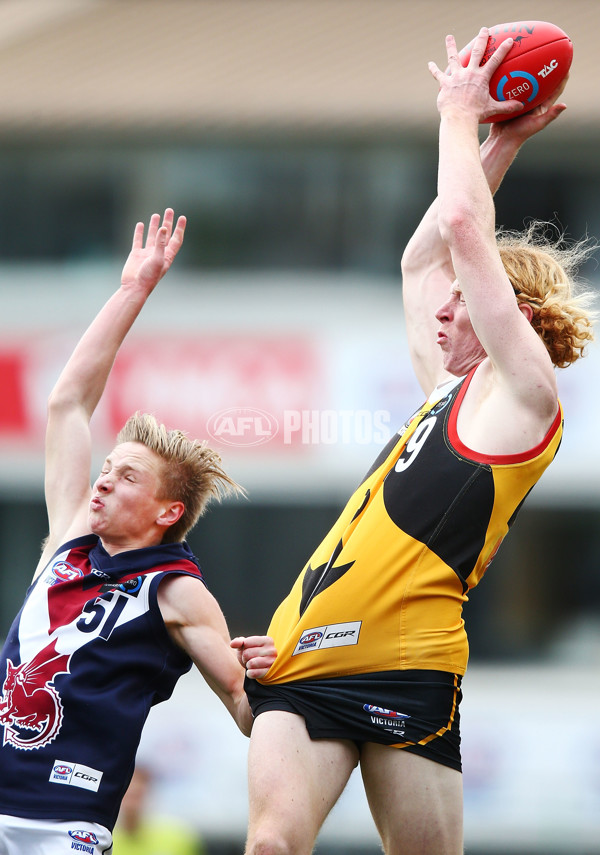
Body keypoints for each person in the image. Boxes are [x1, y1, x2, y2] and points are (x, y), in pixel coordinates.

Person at [234, 28, 596, 855]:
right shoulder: (449, 388)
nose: (441, 308)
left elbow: (466, 228)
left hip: (408, 659)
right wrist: (499, 142)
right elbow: (420, 258)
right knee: (270, 845)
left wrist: (457, 113)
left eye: (462, 301)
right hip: (301, 651)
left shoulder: (526, 393)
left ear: (516, 316)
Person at [0, 209, 276, 854]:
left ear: (166, 512)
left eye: (125, 477)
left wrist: (272, 680)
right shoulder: (69, 540)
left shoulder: (176, 590)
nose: (100, 482)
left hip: (65, 820)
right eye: (105, 469)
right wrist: (133, 291)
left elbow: (245, 711)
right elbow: (67, 403)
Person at [112, 764, 203, 855]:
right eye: (128, 795)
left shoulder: (180, 836)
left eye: (137, 795)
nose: (131, 804)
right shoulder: (104, 839)